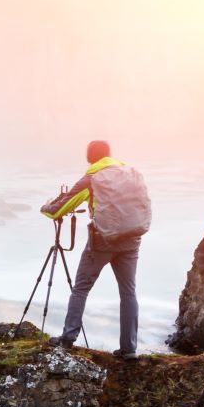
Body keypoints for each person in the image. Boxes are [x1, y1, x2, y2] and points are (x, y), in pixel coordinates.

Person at [41, 139, 153, 357]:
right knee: (128, 292)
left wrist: (45, 206)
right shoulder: (130, 173)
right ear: (110, 154)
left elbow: (58, 210)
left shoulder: (91, 179)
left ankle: (67, 338)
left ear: (89, 157)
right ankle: (129, 349)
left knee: (81, 288)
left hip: (102, 241)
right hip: (132, 239)